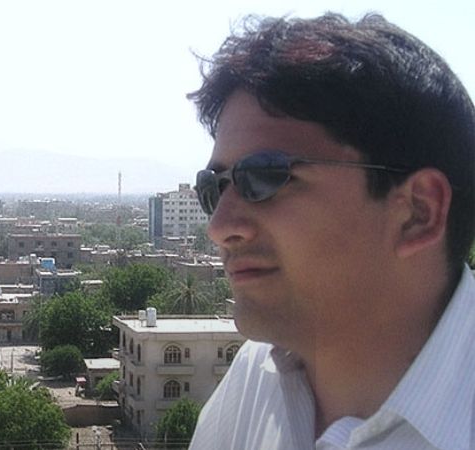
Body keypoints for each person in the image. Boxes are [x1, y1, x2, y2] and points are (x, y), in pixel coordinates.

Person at [187, 13, 475, 449]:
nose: (219, 227)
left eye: (266, 176)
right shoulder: (256, 378)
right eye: (213, 188)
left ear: (419, 211)